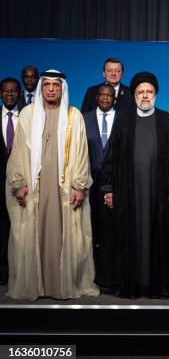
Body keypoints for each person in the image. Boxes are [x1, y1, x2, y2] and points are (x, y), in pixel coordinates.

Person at [5, 70, 98, 300]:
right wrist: (18, 183)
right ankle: (35, 285)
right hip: (34, 187)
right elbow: (17, 152)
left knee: (65, 234)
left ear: (62, 88)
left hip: (63, 189)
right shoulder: (27, 114)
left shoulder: (73, 115)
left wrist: (79, 186)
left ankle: (60, 285)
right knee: (31, 233)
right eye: (46, 85)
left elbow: (81, 153)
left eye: (56, 85)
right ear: (41, 88)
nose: (51, 89)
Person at [98, 71, 169, 298]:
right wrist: (108, 188)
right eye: (141, 92)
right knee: (127, 235)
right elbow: (111, 157)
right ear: (134, 95)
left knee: (161, 236)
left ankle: (158, 285)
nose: (145, 96)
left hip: (159, 193)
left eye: (149, 92)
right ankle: (131, 283)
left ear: (156, 94)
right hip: (129, 191)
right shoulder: (124, 120)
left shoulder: (167, 120)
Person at [83, 84, 116, 266]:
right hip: (89, 180)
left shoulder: (122, 119)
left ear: (114, 99)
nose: (105, 98)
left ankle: (109, 264)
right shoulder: (84, 119)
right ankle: (91, 265)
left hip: (114, 181)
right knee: (90, 222)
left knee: (111, 225)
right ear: (96, 98)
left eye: (109, 95)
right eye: (102, 95)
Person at [0, 77, 24, 285]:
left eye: (13, 91)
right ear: (1, 94)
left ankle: (16, 271)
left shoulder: (26, 118)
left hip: (19, 183)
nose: (10, 94)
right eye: (6, 91)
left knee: (17, 228)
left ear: (20, 94)